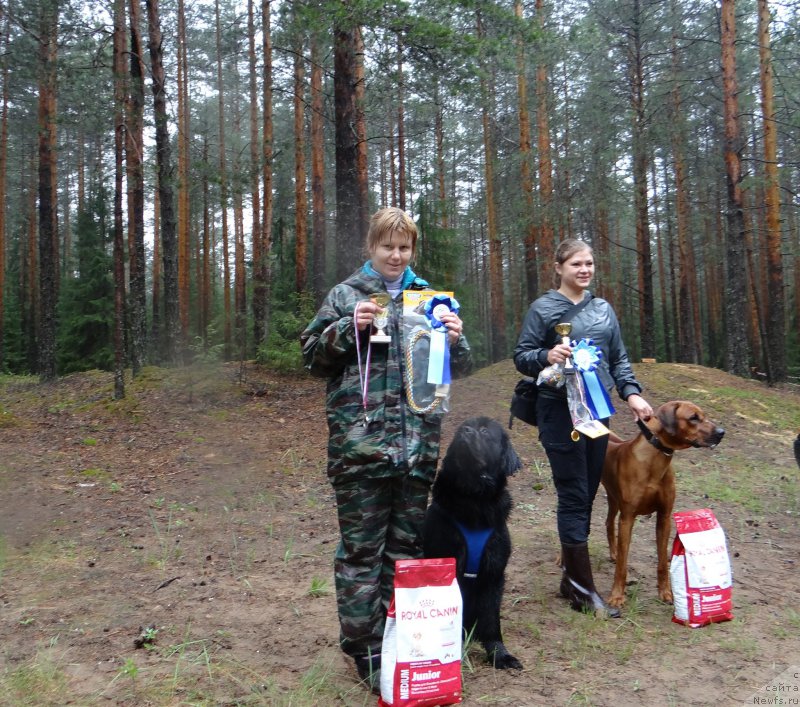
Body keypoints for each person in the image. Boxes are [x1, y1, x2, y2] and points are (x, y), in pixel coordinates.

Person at [300, 207, 473, 690]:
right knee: (361, 554)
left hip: (417, 448)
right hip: (361, 450)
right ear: (371, 248)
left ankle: (401, 639)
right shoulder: (346, 295)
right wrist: (345, 328)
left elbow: (451, 372)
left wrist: (455, 342)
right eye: (387, 247)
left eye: (404, 248)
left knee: (404, 551)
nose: (396, 256)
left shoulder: (432, 299)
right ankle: (366, 651)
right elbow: (312, 358)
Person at [513, 238, 652, 618]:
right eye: (576, 263)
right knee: (573, 493)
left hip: (596, 413)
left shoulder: (604, 309)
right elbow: (522, 356)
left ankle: (570, 579)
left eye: (589, 263)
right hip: (557, 413)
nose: (584, 269)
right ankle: (580, 588)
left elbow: (619, 358)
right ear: (559, 267)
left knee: (588, 490)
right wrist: (546, 354)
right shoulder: (543, 309)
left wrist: (633, 395)